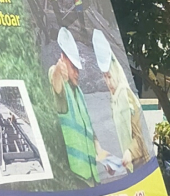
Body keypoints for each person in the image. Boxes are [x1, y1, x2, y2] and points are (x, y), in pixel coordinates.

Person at [48, 27, 107, 184]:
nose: (76, 73)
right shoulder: (62, 90)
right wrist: (58, 69)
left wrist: (100, 151)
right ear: (63, 59)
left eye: (77, 68)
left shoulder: (79, 92)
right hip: (76, 177)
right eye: (73, 67)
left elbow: (88, 128)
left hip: (92, 176)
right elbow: (55, 81)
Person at [93, 29, 150, 172]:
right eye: (104, 77)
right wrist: (111, 163)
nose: (108, 82)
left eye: (109, 77)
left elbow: (139, 136)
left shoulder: (126, 95)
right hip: (131, 168)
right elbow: (120, 136)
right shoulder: (114, 100)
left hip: (143, 165)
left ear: (116, 73)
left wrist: (129, 153)